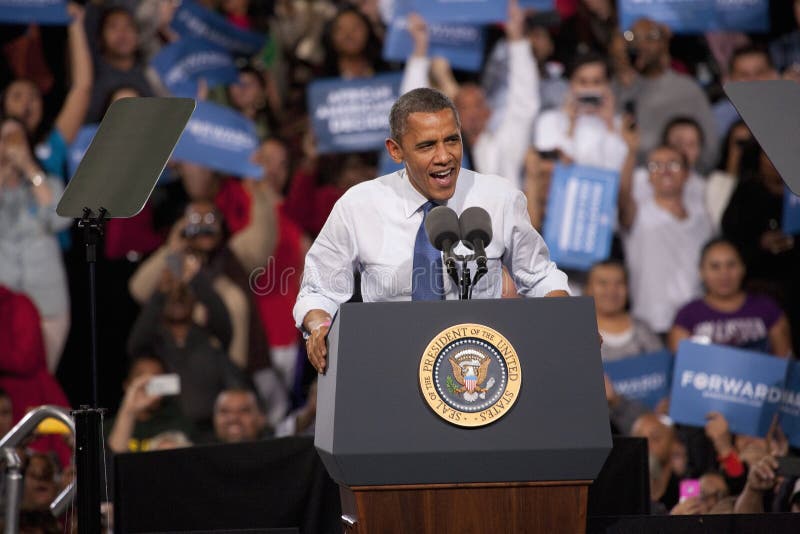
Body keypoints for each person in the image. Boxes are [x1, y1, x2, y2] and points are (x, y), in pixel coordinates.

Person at [295, 87, 570, 374]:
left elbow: (539, 276)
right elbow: (317, 289)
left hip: (479, 367)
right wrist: (320, 327)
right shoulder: (358, 205)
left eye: (452, 140)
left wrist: (570, 322)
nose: (444, 156)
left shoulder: (498, 197)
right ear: (395, 150)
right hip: (389, 364)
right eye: (427, 146)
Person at [400, 0, 539, 189]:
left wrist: (516, 38)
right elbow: (413, 115)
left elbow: (524, 104)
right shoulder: (437, 152)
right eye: (464, 107)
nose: (473, 113)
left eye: (478, 105)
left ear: (489, 112)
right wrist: (420, 49)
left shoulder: (504, 146)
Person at [618, 142, 713, 335]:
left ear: (687, 174)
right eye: (656, 166)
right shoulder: (638, 214)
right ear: (648, 177)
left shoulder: (704, 217)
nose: (665, 172)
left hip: (698, 322)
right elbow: (622, 199)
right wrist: (630, 150)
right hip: (651, 322)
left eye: (673, 164)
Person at [0, 117, 72, 370]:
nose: (11, 146)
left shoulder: (47, 182)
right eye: (5, 139)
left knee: (42, 379)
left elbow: (60, 219)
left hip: (48, 302)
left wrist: (30, 168)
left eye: (17, 139)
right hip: (5, 303)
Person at [614, 18, 717, 172]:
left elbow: (710, 148)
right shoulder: (617, 87)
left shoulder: (687, 89)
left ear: (664, 43)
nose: (641, 44)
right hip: (631, 178)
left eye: (650, 37)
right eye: (633, 38)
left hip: (681, 180)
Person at [669, 238, 792, 356]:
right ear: (702, 272)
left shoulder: (767, 308)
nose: (724, 274)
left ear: (743, 268)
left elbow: (785, 362)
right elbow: (682, 367)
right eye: (715, 266)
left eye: (731, 265)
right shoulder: (687, 315)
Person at [533, 52, 628, 171]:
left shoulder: (619, 125)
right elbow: (551, 170)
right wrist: (570, 127)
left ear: (607, 85)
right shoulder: (548, 121)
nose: (589, 88)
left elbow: (617, 172)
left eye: (597, 82)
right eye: (582, 82)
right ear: (571, 84)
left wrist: (609, 125)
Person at [106, 355, 195, 453]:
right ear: (127, 385)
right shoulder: (108, 428)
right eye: (141, 378)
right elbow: (111, 461)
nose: (147, 386)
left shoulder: (179, 423)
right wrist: (129, 410)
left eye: (155, 379)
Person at [584, 261, 662, 362]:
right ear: (588, 289)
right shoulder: (577, 333)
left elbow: (660, 368)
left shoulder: (643, 330)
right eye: (603, 283)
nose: (612, 290)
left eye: (619, 283)